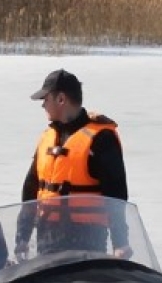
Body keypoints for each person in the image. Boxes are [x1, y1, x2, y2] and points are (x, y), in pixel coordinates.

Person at [16, 68, 131, 257]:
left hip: (87, 243)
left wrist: (120, 243)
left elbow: (116, 195)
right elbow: (31, 188)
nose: (43, 104)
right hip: (48, 239)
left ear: (61, 99)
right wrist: (22, 238)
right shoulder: (47, 138)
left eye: (46, 99)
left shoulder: (101, 139)